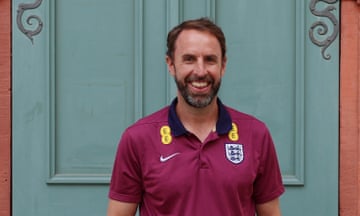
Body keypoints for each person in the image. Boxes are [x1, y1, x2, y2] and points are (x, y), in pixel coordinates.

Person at [107, 17, 284, 216]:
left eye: (210, 60)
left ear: (223, 65)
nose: (200, 71)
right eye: (189, 59)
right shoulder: (137, 138)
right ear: (171, 64)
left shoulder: (256, 134)